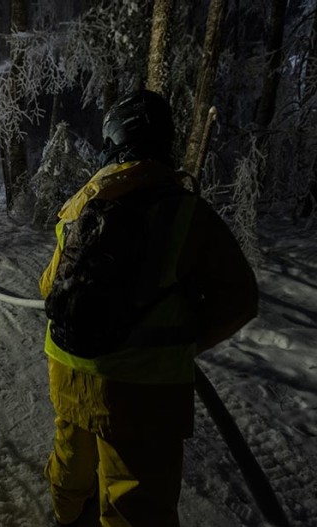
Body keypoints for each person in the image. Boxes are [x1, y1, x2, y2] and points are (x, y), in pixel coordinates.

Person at [39, 89, 259, 527]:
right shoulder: (187, 213)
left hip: (67, 363)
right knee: (135, 498)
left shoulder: (82, 201)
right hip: (140, 386)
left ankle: (65, 518)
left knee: (71, 455)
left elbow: (48, 285)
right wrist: (185, 340)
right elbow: (238, 301)